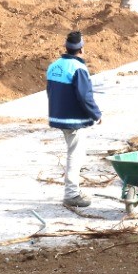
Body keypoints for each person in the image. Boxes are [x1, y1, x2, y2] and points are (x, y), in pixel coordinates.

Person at [47, 29, 101, 208]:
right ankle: (71, 194)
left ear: (66, 47)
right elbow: (85, 96)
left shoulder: (54, 66)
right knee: (75, 154)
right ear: (81, 49)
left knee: (73, 151)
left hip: (58, 116)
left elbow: (50, 91)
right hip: (72, 120)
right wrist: (96, 114)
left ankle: (72, 191)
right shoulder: (78, 68)